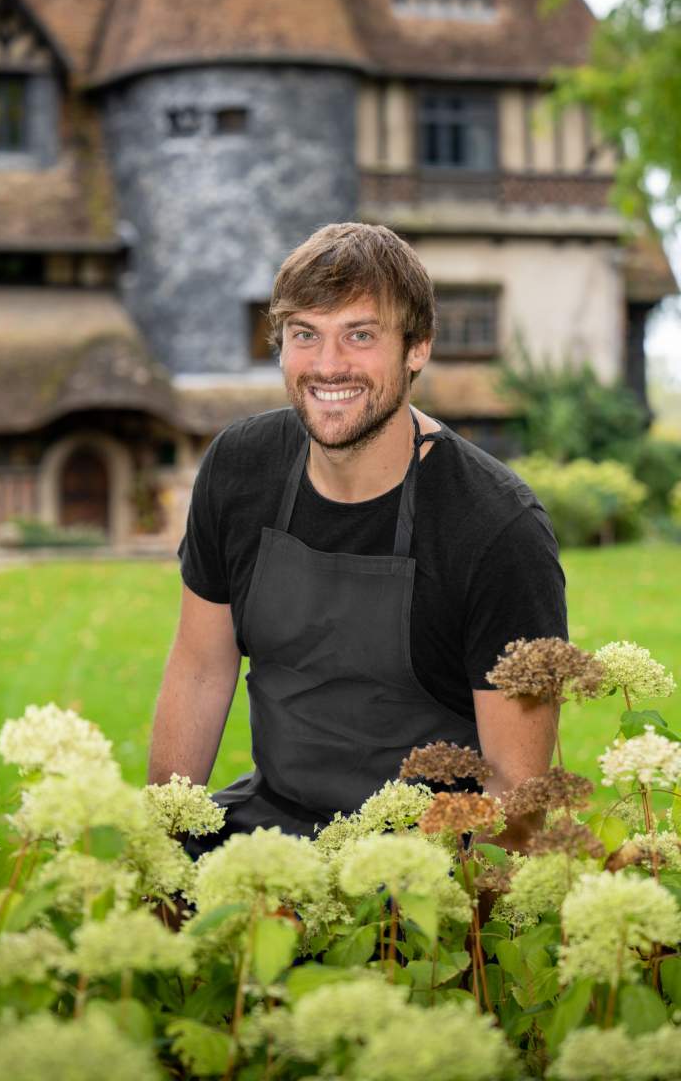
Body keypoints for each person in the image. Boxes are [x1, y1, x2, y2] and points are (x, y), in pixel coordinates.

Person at [149, 222, 566, 857]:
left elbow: (518, 795)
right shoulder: (239, 468)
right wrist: (162, 851)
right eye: (305, 335)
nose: (327, 365)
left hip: (423, 866)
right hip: (272, 827)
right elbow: (201, 670)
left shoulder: (496, 529)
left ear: (417, 348)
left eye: (360, 335)